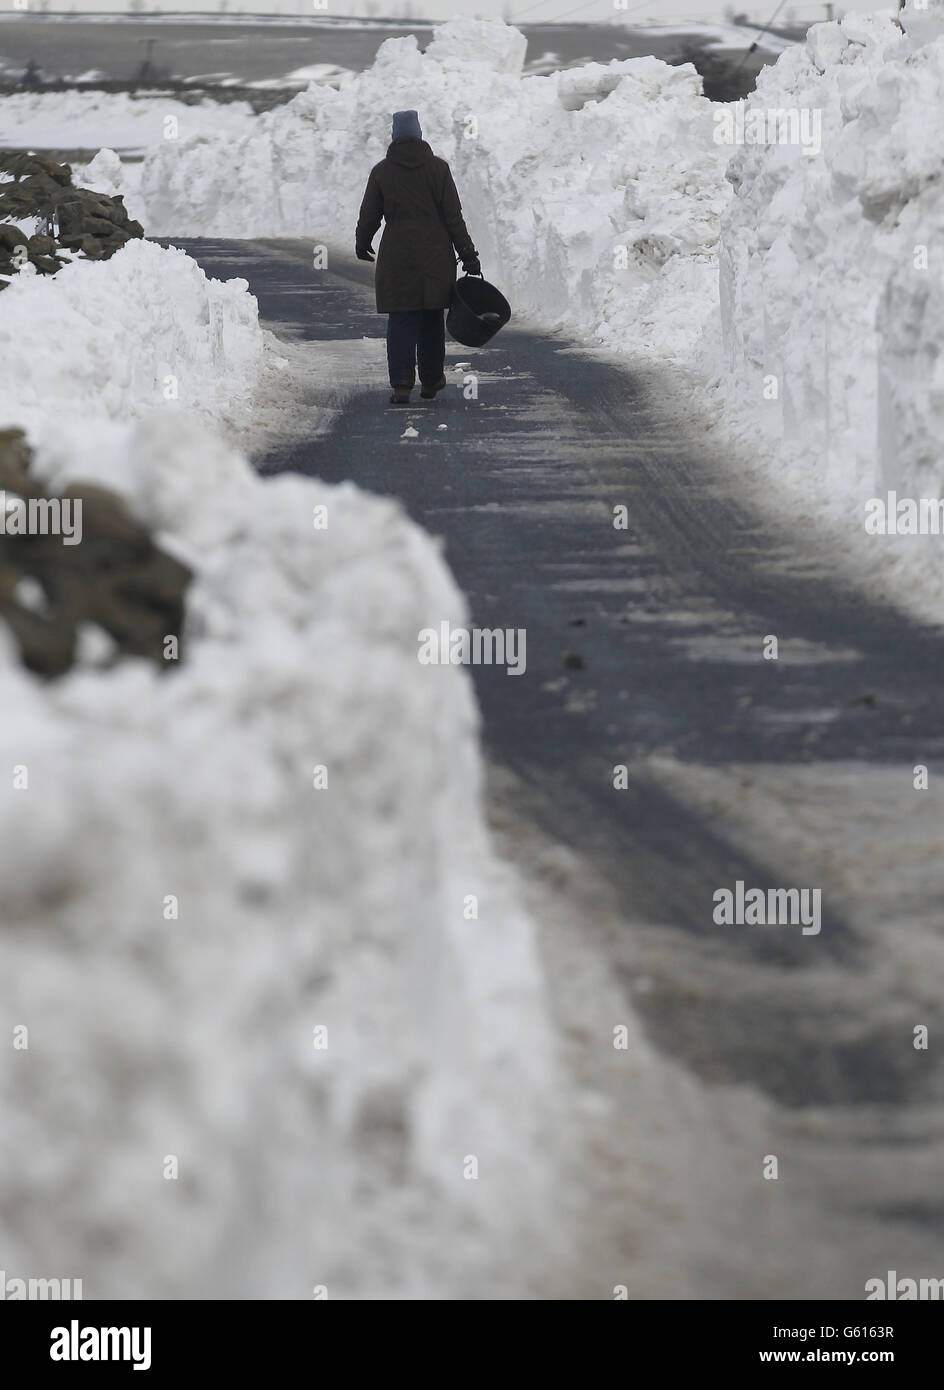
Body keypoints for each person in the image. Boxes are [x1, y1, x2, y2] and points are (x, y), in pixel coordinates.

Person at [355, 110, 481, 406]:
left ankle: (401, 385)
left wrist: (363, 241)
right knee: (431, 318)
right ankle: (431, 379)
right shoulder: (439, 169)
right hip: (435, 256)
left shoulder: (382, 171)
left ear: (395, 136)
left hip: (398, 256)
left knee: (400, 319)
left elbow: (369, 214)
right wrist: (468, 254)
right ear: (420, 134)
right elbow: (454, 218)